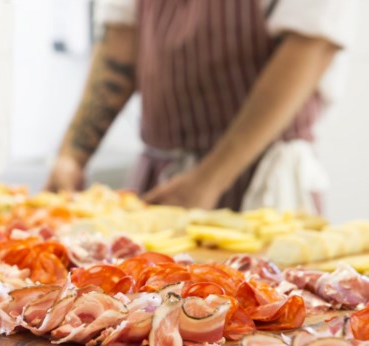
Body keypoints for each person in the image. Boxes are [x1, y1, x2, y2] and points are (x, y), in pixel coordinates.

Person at [45, 0, 356, 213]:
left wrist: (209, 180)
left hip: (265, 184)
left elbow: (311, 47)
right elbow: (120, 44)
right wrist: (71, 157)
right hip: (163, 178)